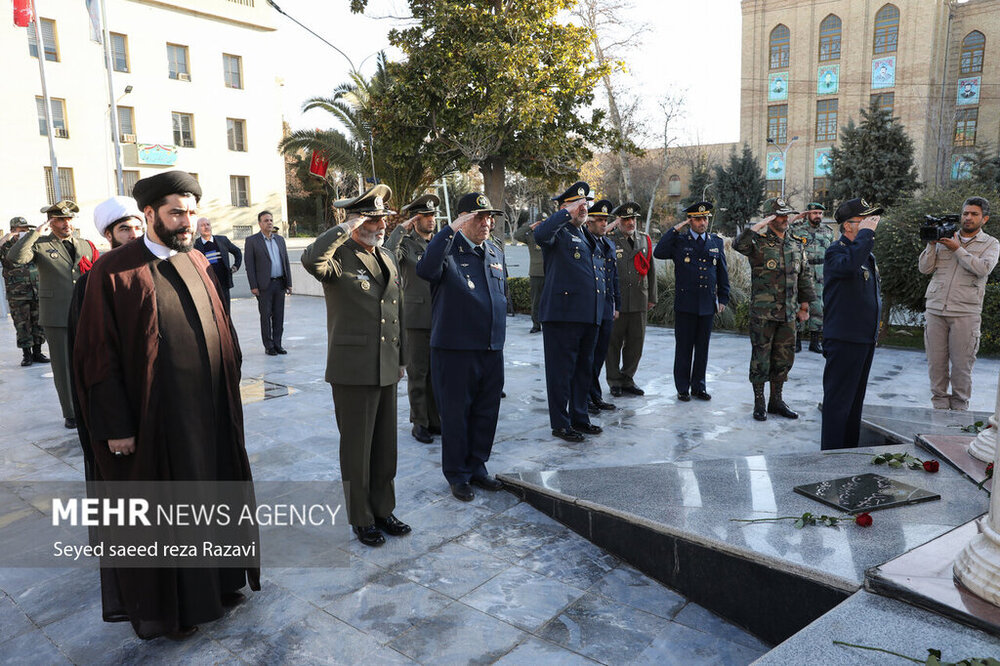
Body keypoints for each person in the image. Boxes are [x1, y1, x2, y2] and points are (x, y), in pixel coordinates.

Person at [72, 171, 259, 639]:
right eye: (177, 212)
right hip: (157, 422)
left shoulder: (196, 258)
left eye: (192, 212)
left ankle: (220, 582)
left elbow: (223, 327)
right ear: (149, 214)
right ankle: (176, 610)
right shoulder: (114, 271)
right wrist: (116, 425)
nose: (187, 221)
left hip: (210, 413)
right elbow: (98, 355)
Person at [300, 184, 410, 547]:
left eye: (382, 220)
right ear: (356, 221)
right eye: (372, 220)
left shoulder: (387, 256)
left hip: (386, 365)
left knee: (384, 446)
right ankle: (361, 518)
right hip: (353, 366)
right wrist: (345, 228)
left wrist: (402, 359)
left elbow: (397, 312)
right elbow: (311, 260)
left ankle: (383, 509)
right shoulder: (340, 256)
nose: (380, 226)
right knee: (357, 447)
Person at [416, 192, 508, 501]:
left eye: (489, 217)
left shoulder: (495, 252)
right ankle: (457, 474)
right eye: (479, 217)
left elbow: (500, 294)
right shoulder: (446, 249)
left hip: (491, 348)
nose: (487, 222)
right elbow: (425, 270)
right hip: (455, 349)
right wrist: (448, 231)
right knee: (456, 414)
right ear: (462, 219)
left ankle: (477, 466)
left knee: (486, 412)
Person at [68, 196, 145, 481]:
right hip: (119, 402)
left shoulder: (156, 270)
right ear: (109, 234)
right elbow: (93, 359)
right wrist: (115, 423)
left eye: (138, 227)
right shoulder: (92, 282)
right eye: (125, 228)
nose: (134, 235)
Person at [9, 200, 99, 428]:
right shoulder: (39, 244)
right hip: (57, 315)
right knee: (63, 366)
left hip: (86, 311)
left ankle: (91, 405)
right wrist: (35, 233)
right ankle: (71, 411)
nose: (66, 223)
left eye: (69, 219)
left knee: (91, 361)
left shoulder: (85, 245)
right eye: (60, 219)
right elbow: (15, 257)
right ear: (51, 221)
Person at [535, 181, 606, 443]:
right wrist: (567, 212)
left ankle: (579, 417)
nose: (583, 208)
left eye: (585, 203)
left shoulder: (585, 234)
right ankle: (560, 423)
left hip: (588, 315)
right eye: (577, 204)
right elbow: (540, 235)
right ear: (564, 207)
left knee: (582, 370)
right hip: (563, 315)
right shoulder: (558, 231)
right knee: (561, 372)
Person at [734, 197, 815, 421]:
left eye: (786, 215)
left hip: (788, 313)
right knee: (761, 358)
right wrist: (758, 225)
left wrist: (805, 306)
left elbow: (805, 276)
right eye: (779, 215)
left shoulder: (796, 243)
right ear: (770, 217)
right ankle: (759, 402)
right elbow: (738, 244)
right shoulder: (757, 242)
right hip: (763, 313)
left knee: (784, 358)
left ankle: (776, 401)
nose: (784, 219)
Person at [918, 196, 1000, 410]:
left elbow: (983, 269)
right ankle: (939, 412)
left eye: (974, 214)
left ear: (985, 219)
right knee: (936, 366)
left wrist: (957, 248)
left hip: (965, 313)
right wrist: (931, 244)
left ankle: (960, 412)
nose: (968, 217)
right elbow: (925, 269)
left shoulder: (990, 243)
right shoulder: (945, 236)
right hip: (936, 310)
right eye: (965, 213)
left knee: (962, 368)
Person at [822, 198, 883, 449]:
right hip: (844, 339)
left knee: (854, 404)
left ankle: (848, 454)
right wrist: (866, 234)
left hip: (863, 340)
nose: (871, 225)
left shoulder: (865, 255)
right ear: (848, 226)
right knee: (838, 405)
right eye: (864, 221)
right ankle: (832, 458)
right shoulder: (837, 252)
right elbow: (848, 267)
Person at [654, 201, 730, 401]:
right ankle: (682, 388)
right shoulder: (680, 240)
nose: (702, 222)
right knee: (684, 348)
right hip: (686, 304)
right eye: (697, 219)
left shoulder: (715, 242)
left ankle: (699, 386)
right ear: (690, 221)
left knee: (702, 349)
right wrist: (675, 228)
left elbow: (722, 272)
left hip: (706, 304)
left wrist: (723, 297)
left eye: (705, 218)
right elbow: (659, 252)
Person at [386, 193, 442, 444]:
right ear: (415, 219)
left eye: (432, 215)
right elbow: (387, 254)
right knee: (418, 373)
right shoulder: (406, 245)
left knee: (437, 373)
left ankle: (435, 419)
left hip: (441, 316)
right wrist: (401, 228)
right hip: (417, 317)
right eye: (425, 215)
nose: (431, 220)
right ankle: (419, 422)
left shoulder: (439, 242)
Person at [606, 201, 657, 397]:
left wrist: (651, 296)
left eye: (633, 219)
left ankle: (628, 378)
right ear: (618, 221)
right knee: (613, 344)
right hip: (617, 301)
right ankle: (614, 380)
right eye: (626, 219)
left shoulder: (644, 239)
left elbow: (651, 270)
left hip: (638, 299)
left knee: (636, 343)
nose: (630, 222)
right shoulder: (609, 239)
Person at [585, 199, 620, 414]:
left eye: (606, 220)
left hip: (606, 308)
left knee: (599, 356)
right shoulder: (585, 241)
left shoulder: (608, 244)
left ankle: (595, 395)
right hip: (590, 308)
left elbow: (613, 278)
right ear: (589, 222)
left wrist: (617, 305)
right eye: (599, 220)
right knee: (587, 357)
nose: (603, 224)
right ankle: (584, 398)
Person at [0, 217, 48, 367]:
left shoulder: (32, 244)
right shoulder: (6, 246)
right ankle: (26, 355)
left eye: (27, 230)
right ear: (13, 230)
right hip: (17, 293)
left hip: (36, 290)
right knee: (22, 324)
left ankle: (38, 352)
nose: (25, 233)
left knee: (38, 322)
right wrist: (5, 238)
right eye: (22, 230)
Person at [244, 210, 292, 355]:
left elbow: (286, 262)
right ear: (260, 223)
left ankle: (278, 344)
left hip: (280, 284)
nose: (269, 222)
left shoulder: (280, 240)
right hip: (264, 285)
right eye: (266, 220)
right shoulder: (252, 241)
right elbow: (249, 265)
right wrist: (253, 286)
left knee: (279, 316)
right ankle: (269, 346)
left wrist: (289, 282)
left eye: (271, 220)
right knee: (265, 316)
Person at [789, 203, 835, 353]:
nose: (818, 216)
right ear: (808, 214)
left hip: (821, 271)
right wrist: (796, 218)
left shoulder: (828, 231)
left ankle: (815, 342)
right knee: (799, 303)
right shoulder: (797, 229)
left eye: (820, 213)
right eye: (815, 213)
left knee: (819, 306)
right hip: (803, 270)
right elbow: (783, 232)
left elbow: (832, 252)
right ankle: (797, 341)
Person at [193, 217, 242, 312]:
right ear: (197, 229)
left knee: (226, 312)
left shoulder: (222, 240)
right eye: (202, 225)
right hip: (207, 286)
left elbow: (237, 252)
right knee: (211, 313)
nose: (206, 227)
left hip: (223, 284)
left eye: (208, 224)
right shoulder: (195, 245)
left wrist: (236, 266)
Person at [514, 216, 546, 333]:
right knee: (536, 301)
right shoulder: (530, 236)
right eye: (539, 223)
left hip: (550, 273)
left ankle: (548, 323)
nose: (541, 225)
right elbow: (517, 236)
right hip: (536, 273)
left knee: (549, 301)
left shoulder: (551, 234)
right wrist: (530, 227)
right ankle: (536, 325)